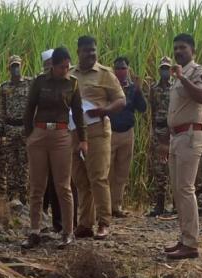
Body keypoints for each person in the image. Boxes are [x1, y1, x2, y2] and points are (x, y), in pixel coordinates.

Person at [22, 46, 87, 249]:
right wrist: (29, 134)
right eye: (61, 67)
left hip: (61, 136)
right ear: (53, 65)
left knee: (63, 186)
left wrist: (83, 139)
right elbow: (30, 108)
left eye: (67, 67)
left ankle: (68, 232)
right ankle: (34, 231)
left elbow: (77, 113)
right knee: (37, 186)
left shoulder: (73, 84)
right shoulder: (40, 82)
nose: (65, 70)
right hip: (39, 134)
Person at [70, 36, 126, 240]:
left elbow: (121, 100)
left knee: (99, 178)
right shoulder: (70, 75)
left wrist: (105, 110)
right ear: (78, 52)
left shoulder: (105, 74)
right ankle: (85, 224)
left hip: (97, 131)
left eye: (94, 50)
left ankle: (104, 222)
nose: (91, 54)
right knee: (80, 179)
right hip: (74, 132)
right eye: (87, 51)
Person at [160, 33, 202, 259]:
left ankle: (191, 244)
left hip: (190, 135)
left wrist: (182, 78)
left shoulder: (197, 72)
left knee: (186, 189)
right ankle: (184, 237)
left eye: (183, 48)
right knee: (178, 190)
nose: (178, 51)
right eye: (176, 48)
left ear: (192, 50)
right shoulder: (176, 75)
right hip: (176, 137)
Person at [40, 49, 79, 231]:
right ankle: (58, 223)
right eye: (47, 66)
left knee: (67, 183)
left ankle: (72, 222)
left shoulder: (70, 84)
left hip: (66, 136)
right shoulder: (41, 85)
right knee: (52, 183)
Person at [109, 56, 147, 217]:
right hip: (110, 133)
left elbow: (142, 108)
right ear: (113, 70)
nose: (120, 71)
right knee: (107, 171)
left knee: (122, 172)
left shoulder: (132, 88)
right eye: (117, 68)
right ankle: (103, 207)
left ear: (128, 70)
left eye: (123, 68)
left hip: (127, 133)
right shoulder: (109, 88)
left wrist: (139, 90)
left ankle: (116, 207)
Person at [0, 55, 32, 204]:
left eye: (17, 65)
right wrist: (2, 129)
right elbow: (2, 108)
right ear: (9, 68)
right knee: (11, 162)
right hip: (11, 128)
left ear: (22, 65)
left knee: (24, 162)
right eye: (13, 66)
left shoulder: (29, 83)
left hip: (24, 128)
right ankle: (12, 194)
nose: (15, 69)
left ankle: (24, 194)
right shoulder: (4, 87)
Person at [148, 57, 173, 216]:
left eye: (167, 68)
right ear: (159, 70)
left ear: (171, 70)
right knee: (159, 169)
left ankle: (177, 205)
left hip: (174, 131)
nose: (165, 71)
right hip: (159, 130)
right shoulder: (154, 88)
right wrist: (152, 130)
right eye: (162, 68)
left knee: (176, 168)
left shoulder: (176, 87)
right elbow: (152, 110)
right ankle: (159, 205)